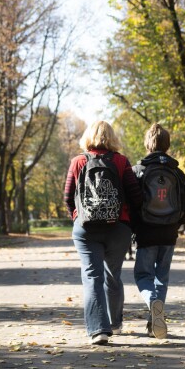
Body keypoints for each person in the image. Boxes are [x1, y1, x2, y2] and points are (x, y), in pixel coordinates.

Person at [64, 120, 143, 346]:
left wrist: (78, 217)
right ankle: (115, 324)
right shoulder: (121, 161)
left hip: (86, 228)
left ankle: (98, 330)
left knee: (92, 276)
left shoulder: (78, 162)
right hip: (118, 228)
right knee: (112, 276)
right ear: (112, 138)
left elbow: (68, 197)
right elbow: (135, 196)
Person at [132, 123, 185, 339]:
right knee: (161, 277)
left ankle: (151, 302)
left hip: (146, 232)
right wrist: (176, 224)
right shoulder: (178, 172)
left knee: (143, 274)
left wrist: (134, 228)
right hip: (169, 232)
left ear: (148, 143)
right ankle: (154, 321)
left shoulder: (139, 171)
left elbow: (133, 202)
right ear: (167, 144)